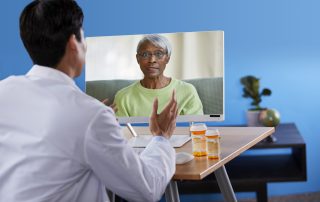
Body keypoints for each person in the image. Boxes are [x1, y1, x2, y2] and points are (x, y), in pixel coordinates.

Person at [0, 1, 178, 202]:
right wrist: (161, 138)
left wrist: (93, 118)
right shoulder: (88, 115)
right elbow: (148, 188)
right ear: (73, 44)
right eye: (83, 36)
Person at [114, 34, 204, 117]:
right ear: (138, 59)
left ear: (167, 58)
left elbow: (197, 128)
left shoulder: (187, 91)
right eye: (145, 54)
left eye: (159, 54)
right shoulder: (123, 97)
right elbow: (120, 133)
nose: (152, 60)